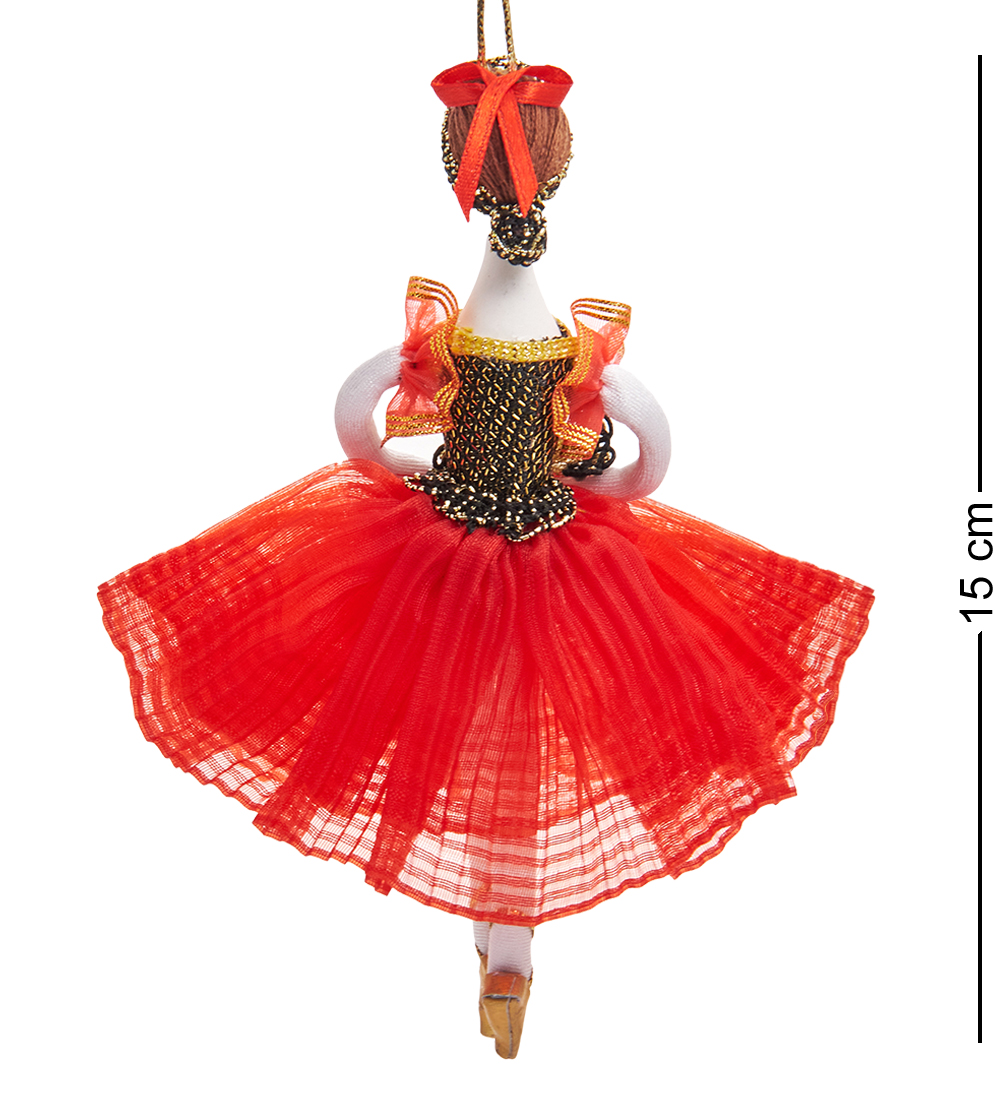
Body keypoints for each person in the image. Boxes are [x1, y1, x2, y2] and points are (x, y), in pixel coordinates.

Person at [98, 17, 873, 1061]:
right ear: (554, 174)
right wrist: (592, 475)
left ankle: (502, 947)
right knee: (518, 741)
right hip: (548, 551)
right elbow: (648, 461)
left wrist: (422, 464)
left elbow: (359, 430)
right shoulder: (567, 354)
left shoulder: (451, 346)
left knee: (467, 732)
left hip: (445, 554)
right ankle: (507, 950)